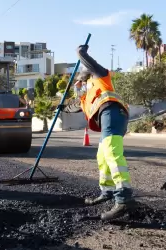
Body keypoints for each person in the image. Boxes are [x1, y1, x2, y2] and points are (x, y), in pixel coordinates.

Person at [58, 44, 135, 221]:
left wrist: (80, 53)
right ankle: (107, 191)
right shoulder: (86, 97)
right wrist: (62, 107)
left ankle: (124, 198)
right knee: (102, 156)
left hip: (114, 113)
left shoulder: (101, 76)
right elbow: (74, 107)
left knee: (111, 153)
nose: (79, 85)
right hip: (109, 117)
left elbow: (88, 62)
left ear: (86, 76)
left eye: (80, 82)